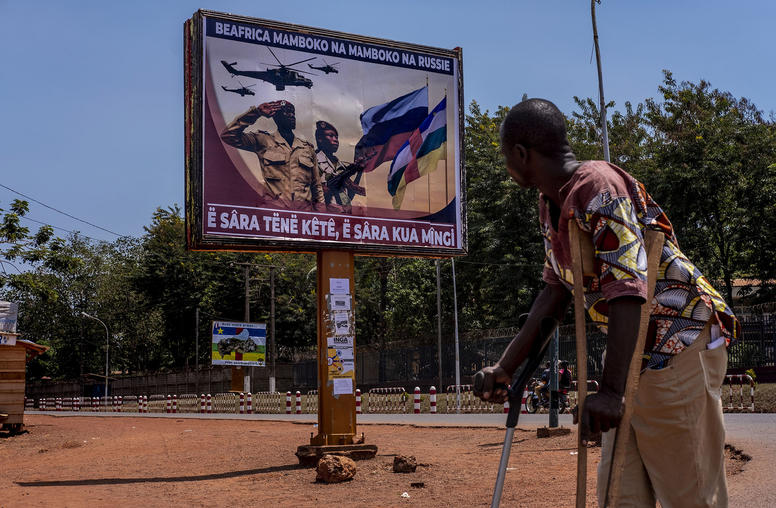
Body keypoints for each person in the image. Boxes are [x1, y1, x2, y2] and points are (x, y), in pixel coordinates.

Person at [474, 98, 739, 507]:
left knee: (690, 496)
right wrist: (504, 368)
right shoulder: (551, 205)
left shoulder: (599, 188)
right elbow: (554, 292)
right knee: (619, 495)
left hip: (675, 346)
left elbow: (628, 288)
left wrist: (611, 391)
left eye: (505, 155)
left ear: (521, 155)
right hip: (633, 358)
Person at [221, 100, 325, 209]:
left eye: (293, 113)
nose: (292, 116)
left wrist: (322, 215)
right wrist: (256, 113)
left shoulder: (307, 148)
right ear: (276, 117)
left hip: (303, 216)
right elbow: (228, 136)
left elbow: (316, 187)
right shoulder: (264, 141)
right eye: (287, 112)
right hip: (274, 215)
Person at [314, 121, 365, 208]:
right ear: (320, 139)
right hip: (323, 215)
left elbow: (349, 197)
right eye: (331, 136)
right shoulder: (313, 161)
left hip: (343, 215)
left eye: (336, 137)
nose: (335, 140)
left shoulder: (340, 165)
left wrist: (359, 172)